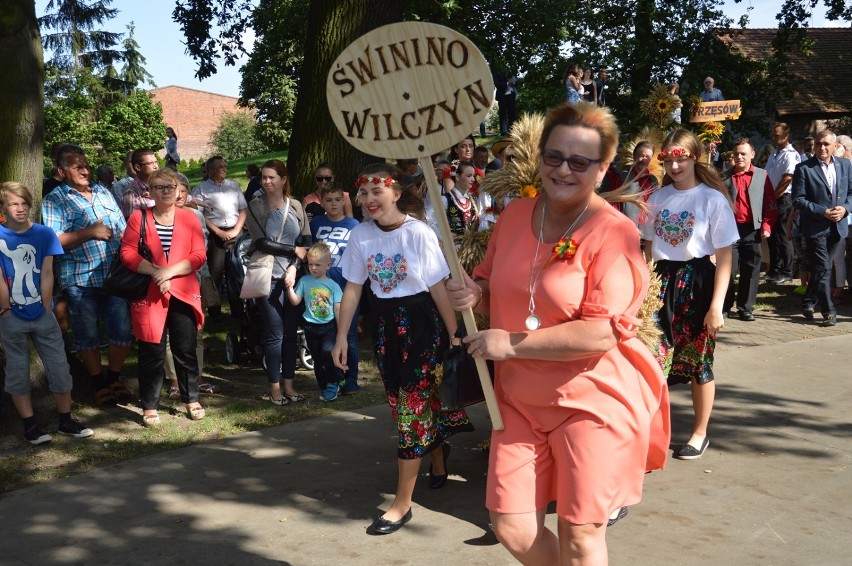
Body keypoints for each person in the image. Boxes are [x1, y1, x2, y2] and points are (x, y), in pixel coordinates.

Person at [445, 103, 670, 562]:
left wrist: (509, 343)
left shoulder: (614, 232)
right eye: (554, 156)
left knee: (580, 535)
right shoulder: (513, 216)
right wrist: (475, 293)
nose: (563, 169)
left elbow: (601, 333)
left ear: (603, 168)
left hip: (591, 402)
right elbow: (492, 284)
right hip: (518, 402)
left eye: (579, 162)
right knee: (511, 525)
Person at [332, 163, 474, 535]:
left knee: (412, 408)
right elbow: (352, 289)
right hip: (383, 328)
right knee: (404, 404)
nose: (368, 199)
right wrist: (341, 337)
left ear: (396, 193)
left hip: (422, 325)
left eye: (376, 191)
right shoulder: (361, 235)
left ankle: (401, 505)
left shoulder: (420, 233)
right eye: (363, 193)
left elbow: (439, 287)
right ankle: (438, 459)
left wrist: (454, 333)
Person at [641, 129, 738, 461]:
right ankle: (651, 431)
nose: (674, 165)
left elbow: (725, 257)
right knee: (652, 359)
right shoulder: (657, 197)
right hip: (661, 281)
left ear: (694, 157)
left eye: (681, 157)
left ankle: (699, 432)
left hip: (698, 283)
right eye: (668, 159)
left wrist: (717, 307)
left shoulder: (712, 199)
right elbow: (649, 246)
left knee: (699, 361)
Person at [0, 182, 94, 445]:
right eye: (13, 204)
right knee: (18, 370)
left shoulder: (45, 234)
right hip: (10, 315)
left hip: (42, 313)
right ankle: (30, 426)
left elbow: (48, 272)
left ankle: (66, 420)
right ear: (3, 208)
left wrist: (45, 307)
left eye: (24, 203)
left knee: (59, 366)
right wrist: (5, 309)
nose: (20, 209)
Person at [42, 145, 133, 407]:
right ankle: (98, 384)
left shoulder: (103, 191)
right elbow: (53, 241)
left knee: (122, 332)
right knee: (87, 335)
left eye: (86, 165)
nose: (84, 170)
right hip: (80, 280)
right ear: (61, 171)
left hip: (114, 275)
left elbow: (122, 227)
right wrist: (89, 232)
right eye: (77, 166)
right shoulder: (55, 200)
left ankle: (114, 378)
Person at [120, 169, 207, 426]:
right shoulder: (139, 218)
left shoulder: (190, 218)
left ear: (178, 190)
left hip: (183, 292)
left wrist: (169, 272)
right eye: (159, 187)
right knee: (151, 351)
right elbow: (127, 252)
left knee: (185, 349)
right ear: (150, 191)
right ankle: (149, 404)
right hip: (150, 293)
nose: (166, 191)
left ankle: (191, 398)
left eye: (170, 187)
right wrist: (156, 272)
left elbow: (199, 254)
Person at [245, 159, 312, 405]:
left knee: (291, 334)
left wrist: (294, 268)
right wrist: (295, 252)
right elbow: (261, 242)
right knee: (275, 334)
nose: (266, 182)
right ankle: (274, 388)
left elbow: (306, 238)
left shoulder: (296, 205)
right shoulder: (255, 205)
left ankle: (290, 385)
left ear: (283, 179)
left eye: (272, 177)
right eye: (264, 177)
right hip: (268, 276)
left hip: (293, 278)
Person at [166, 173, 220, 399]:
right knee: (171, 334)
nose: (179, 195)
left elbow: (203, 252)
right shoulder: (160, 216)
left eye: (184, 190)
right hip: (168, 280)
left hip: (196, 280)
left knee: (197, 331)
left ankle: (197, 378)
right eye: (175, 190)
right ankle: (175, 382)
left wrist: (205, 281)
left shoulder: (197, 215)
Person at [792, 130, 852, 327]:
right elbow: (798, 200)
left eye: (826, 144)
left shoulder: (845, 165)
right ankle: (828, 311)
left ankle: (808, 301)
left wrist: (845, 208)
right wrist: (822, 212)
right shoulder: (804, 168)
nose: (822, 148)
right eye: (819, 144)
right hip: (815, 227)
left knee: (821, 269)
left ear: (835, 146)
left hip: (838, 226)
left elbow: (851, 193)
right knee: (824, 268)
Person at [310, 183, 361, 395]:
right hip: (321, 290)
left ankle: (351, 379)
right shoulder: (315, 224)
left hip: (347, 287)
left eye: (337, 200)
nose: (333, 204)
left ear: (344, 201)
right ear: (321, 202)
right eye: (328, 200)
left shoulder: (354, 225)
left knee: (348, 335)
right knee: (325, 335)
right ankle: (332, 378)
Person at [721, 139, 778, 321]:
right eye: (736, 153)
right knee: (727, 270)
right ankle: (725, 305)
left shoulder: (762, 176)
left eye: (743, 154)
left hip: (752, 229)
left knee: (751, 270)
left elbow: (770, 203)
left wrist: (767, 226)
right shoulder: (723, 177)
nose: (739, 157)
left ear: (752, 155)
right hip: (730, 229)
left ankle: (746, 308)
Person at [190, 156, 247, 321]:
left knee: (238, 272)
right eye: (219, 167)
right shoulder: (201, 189)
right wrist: (217, 231)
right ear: (210, 171)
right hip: (215, 235)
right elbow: (199, 214)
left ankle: (238, 311)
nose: (224, 169)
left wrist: (237, 229)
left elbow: (243, 209)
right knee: (215, 272)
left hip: (236, 233)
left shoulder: (233, 186)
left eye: (224, 166)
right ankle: (215, 313)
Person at [286, 242, 344, 401]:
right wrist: (290, 288)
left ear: (328, 265)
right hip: (310, 326)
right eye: (310, 264)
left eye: (317, 265)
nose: (313, 268)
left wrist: (340, 331)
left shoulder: (333, 285)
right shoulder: (304, 281)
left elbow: (338, 309)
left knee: (328, 353)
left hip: (329, 326)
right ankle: (324, 386)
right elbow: (296, 301)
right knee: (317, 359)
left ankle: (333, 383)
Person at [765, 123, 801, 284]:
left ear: (786, 135)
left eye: (777, 135)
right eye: (773, 135)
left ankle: (786, 270)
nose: (774, 138)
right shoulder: (774, 153)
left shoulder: (790, 155)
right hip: (771, 197)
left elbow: (787, 178)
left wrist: (773, 197)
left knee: (782, 234)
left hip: (783, 199)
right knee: (772, 235)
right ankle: (774, 269)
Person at [617, 141, 659, 227]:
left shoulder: (653, 180)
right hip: (626, 228)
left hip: (647, 231)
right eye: (641, 155)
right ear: (634, 156)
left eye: (647, 157)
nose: (644, 159)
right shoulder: (623, 177)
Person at [443, 161, 480, 239]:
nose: (473, 179)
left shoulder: (473, 198)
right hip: (454, 247)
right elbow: (434, 221)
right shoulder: (445, 199)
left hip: (473, 247)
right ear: (457, 177)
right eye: (469, 176)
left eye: (474, 176)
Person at [121, 148, 158, 219]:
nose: (155, 166)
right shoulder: (131, 195)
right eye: (150, 163)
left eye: (156, 162)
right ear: (137, 167)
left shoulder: (162, 186)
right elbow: (133, 225)